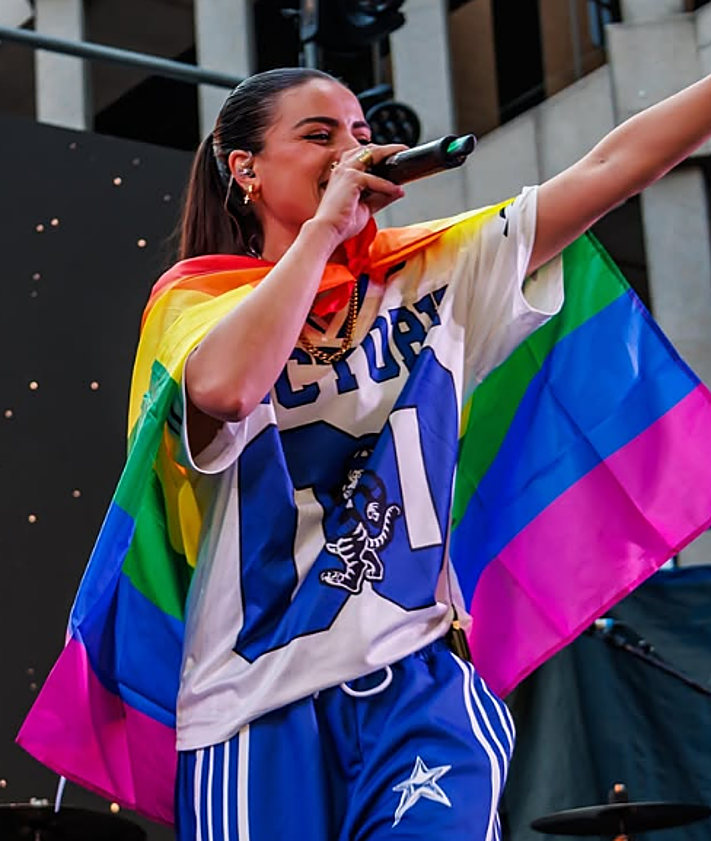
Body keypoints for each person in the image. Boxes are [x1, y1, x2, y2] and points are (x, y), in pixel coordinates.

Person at [16, 66, 711, 840]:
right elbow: (226, 392)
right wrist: (323, 231)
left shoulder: (434, 269)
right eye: (318, 136)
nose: (352, 150)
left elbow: (613, 166)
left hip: (416, 681)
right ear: (243, 168)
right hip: (249, 701)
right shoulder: (197, 300)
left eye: (359, 134)